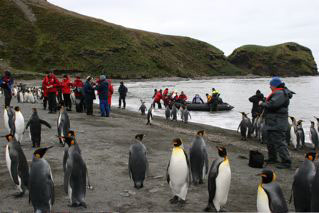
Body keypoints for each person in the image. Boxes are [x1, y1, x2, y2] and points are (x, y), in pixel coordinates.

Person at [259, 77, 293, 169]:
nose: (270, 87)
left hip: (278, 122)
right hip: (272, 122)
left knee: (279, 142)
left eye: (271, 85)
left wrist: (262, 103)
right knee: (270, 141)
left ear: (274, 85)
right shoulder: (280, 92)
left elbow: (272, 105)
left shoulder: (280, 93)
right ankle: (272, 158)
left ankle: (286, 161)